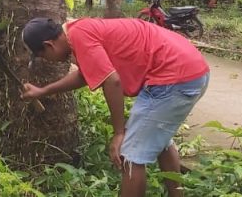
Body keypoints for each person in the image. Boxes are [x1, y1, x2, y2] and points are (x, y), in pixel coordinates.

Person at [19, 17, 209, 197]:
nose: (47, 60)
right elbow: (86, 74)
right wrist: (42, 91)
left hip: (173, 77)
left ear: (48, 46)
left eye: (43, 56)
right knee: (161, 140)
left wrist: (119, 133)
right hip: (192, 70)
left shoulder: (79, 37)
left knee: (130, 154)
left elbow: (112, 81)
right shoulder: (77, 30)